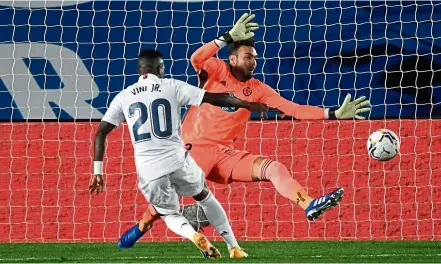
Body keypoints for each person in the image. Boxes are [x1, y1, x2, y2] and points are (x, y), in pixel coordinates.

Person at [118, 13, 370, 247]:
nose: (253, 62)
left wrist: (333, 113)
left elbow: (293, 109)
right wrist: (227, 37)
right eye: (248, 56)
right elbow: (196, 58)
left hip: (225, 154)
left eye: (255, 58)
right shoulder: (216, 70)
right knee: (166, 202)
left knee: (274, 168)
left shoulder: (258, 88)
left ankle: (308, 204)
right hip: (193, 149)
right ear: (233, 58)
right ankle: (142, 226)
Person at [89, 49, 268, 258]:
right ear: (160, 68)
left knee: (169, 213)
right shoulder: (172, 86)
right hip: (178, 161)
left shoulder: (123, 96)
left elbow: (101, 133)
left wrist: (98, 172)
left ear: (140, 69)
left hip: (150, 170)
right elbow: (216, 99)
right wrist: (248, 104)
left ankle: (194, 236)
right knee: (204, 196)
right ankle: (233, 246)